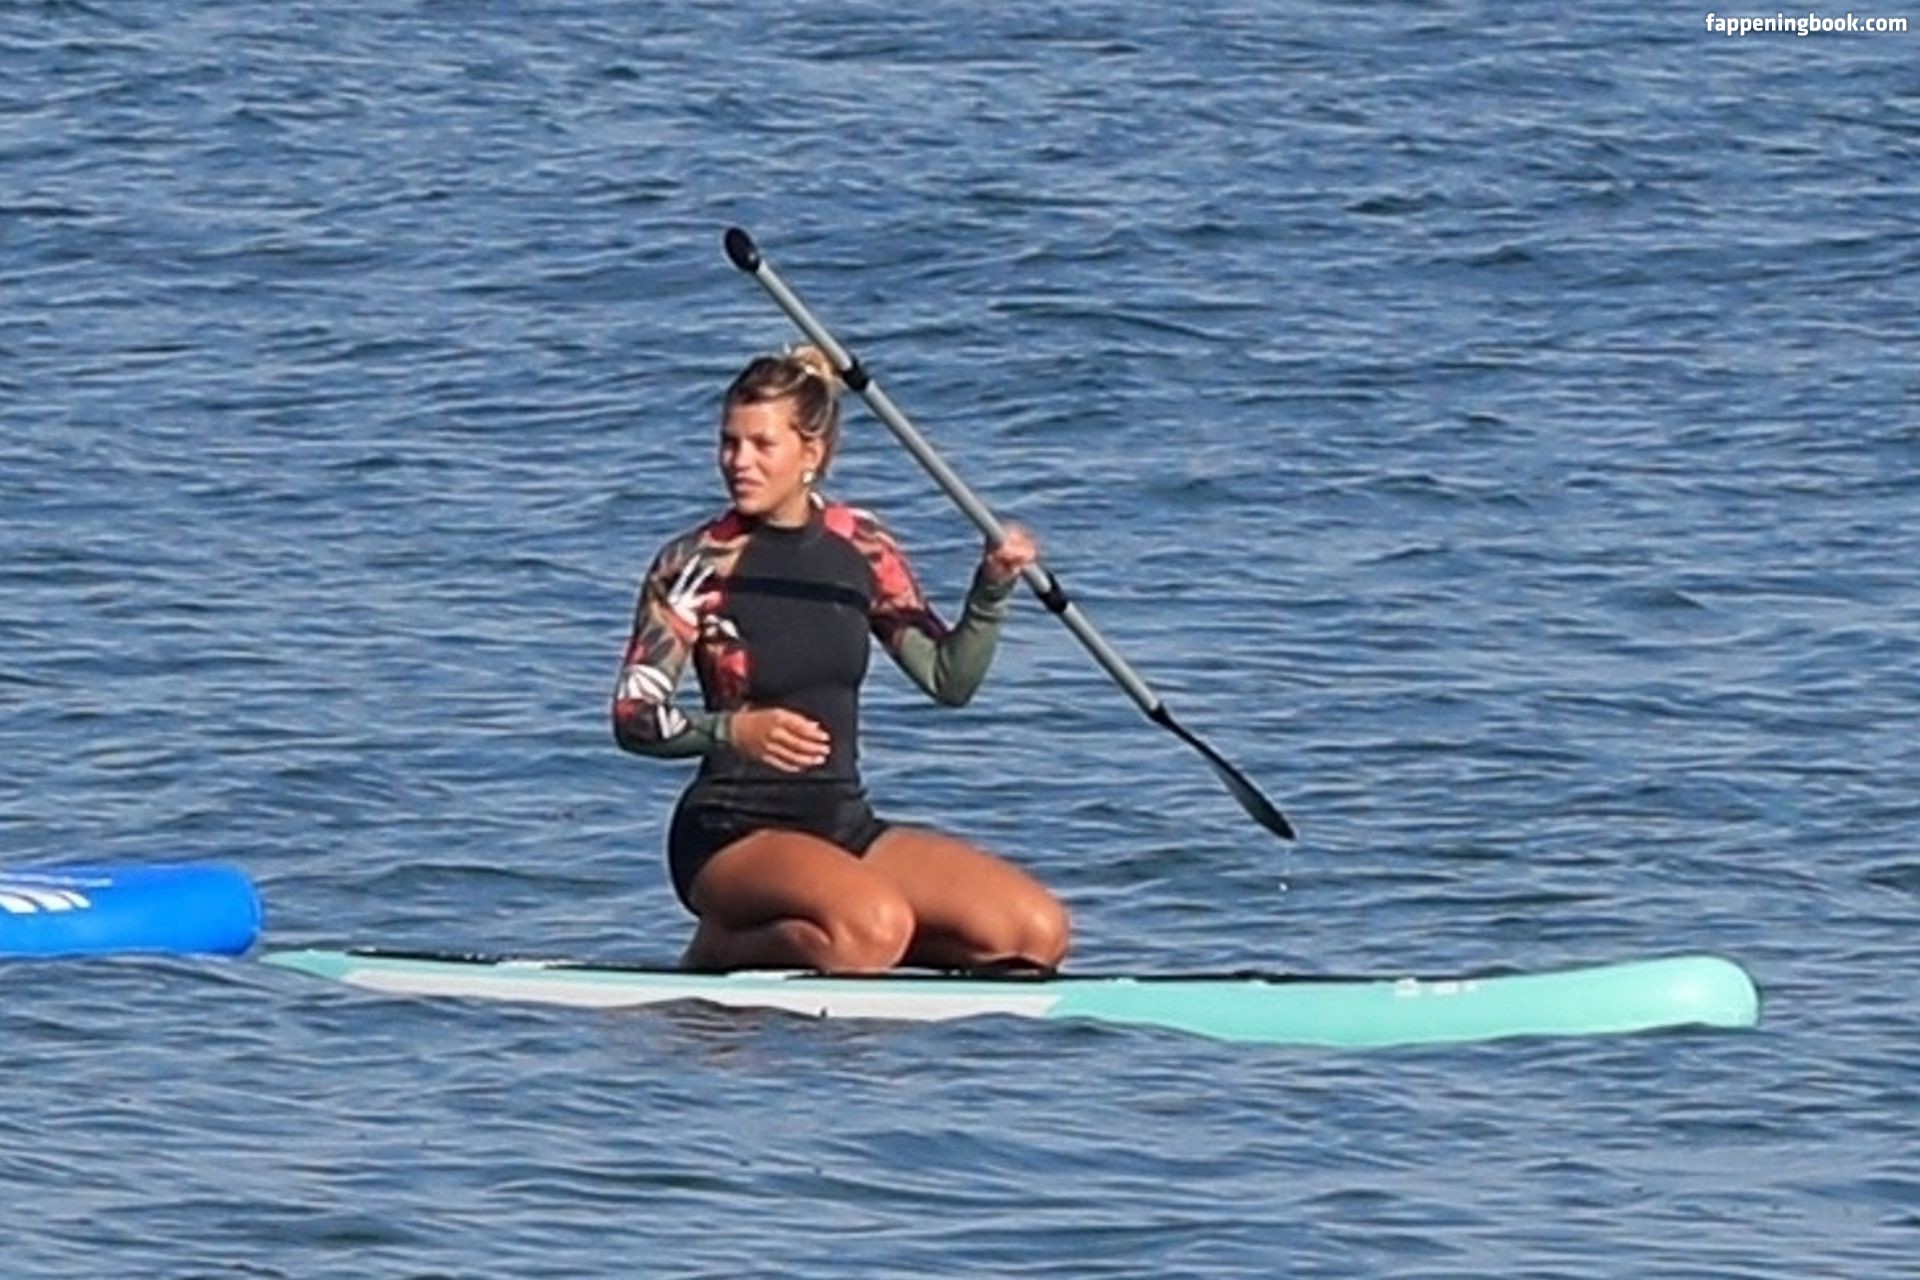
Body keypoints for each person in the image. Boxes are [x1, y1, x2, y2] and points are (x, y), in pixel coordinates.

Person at [612, 346, 1071, 974]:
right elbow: (633, 716)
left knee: (1033, 934)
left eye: (760, 445)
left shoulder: (862, 546)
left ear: (813, 453)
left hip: (840, 822)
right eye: (728, 443)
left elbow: (949, 679)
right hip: (729, 832)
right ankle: (720, 947)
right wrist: (732, 731)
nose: (738, 462)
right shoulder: (694, 564)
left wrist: (991, 589)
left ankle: (854, 943)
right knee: (871, 927)